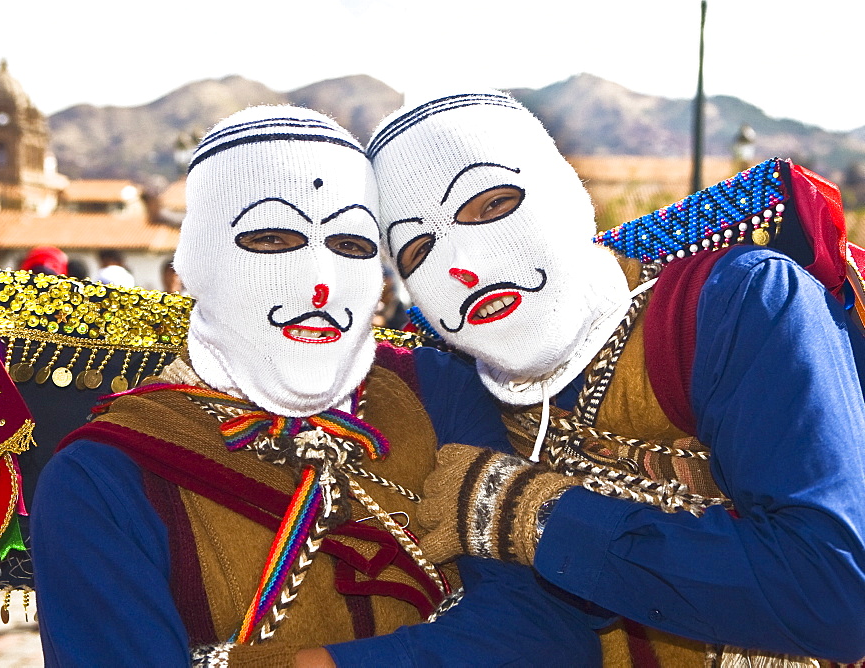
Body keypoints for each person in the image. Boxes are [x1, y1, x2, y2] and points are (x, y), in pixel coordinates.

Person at [31, 106, 602, 667]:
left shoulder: (434, 391)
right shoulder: (102, 478)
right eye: (273, 240)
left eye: (351, 246)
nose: (321, 286)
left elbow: (548, 628)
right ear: (199, 262)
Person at [366, 91, 865, 664]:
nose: (461, 265)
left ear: (564, 195)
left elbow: (836, 593)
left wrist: (536, 515)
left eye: (490, 204)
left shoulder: (737, 304)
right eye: (418, 249)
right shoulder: (450, 383)